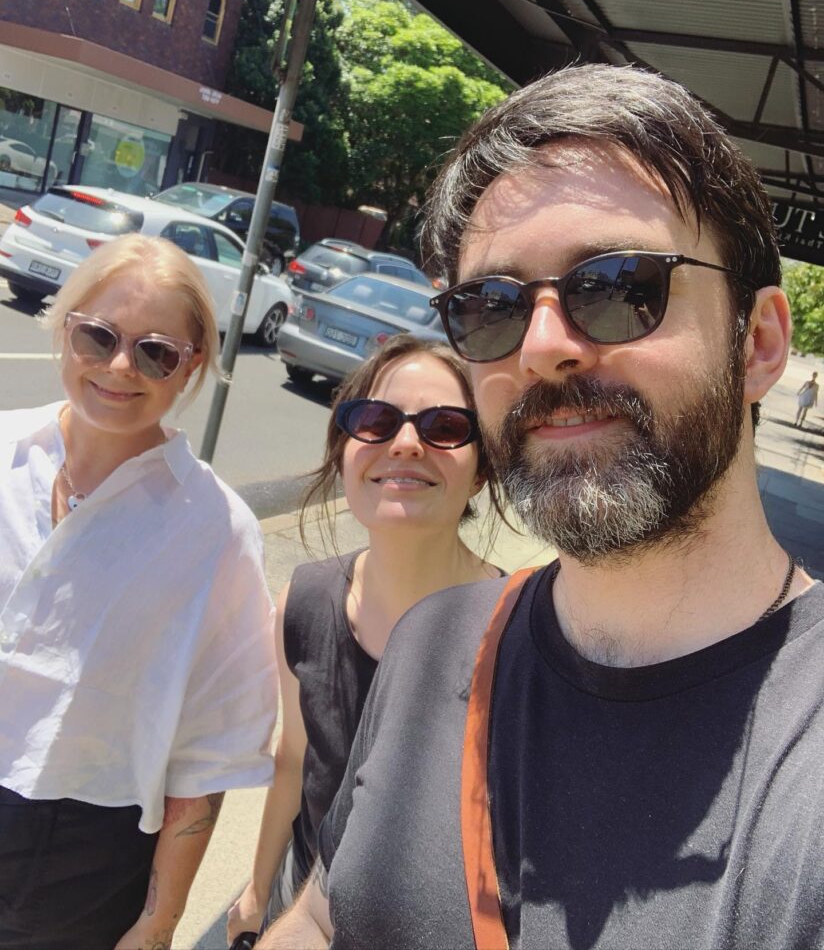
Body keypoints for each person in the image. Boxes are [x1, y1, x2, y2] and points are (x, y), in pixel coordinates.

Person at [259, 63, 824, 950]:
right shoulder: (434, 643)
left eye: (618, 285)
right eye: (490, 307)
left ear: (757, 344)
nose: (543, 346)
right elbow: (335, 910)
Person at [0, 234, 278, 950]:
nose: (120, 367)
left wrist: (159, 922)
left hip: (79, 857)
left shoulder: (216, 529)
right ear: (65, 328)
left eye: (156, 352)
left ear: (191, 366)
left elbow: (210, 749)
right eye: (98, 336)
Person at [225, 334, 504, 948]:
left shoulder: (512, 639)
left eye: (446, 426)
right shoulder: (302, 604)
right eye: (376, 421)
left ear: (483, 469)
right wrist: (255, 889)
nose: (406, 442)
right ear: (346, 449)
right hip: (301, 904)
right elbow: (296, 762)